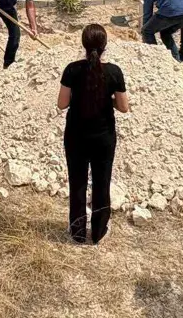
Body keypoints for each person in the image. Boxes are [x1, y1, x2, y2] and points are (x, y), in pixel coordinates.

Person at [57, 23, 129, 244]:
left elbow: (62, 104)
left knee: (77, 182)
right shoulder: (114, 72)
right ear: (105, 46)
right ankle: (98, 231)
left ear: (84, 45)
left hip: (76, 136)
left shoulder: (72, 69)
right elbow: (124, 107)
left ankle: (78, 231)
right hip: (104, 137)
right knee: (101, 181)